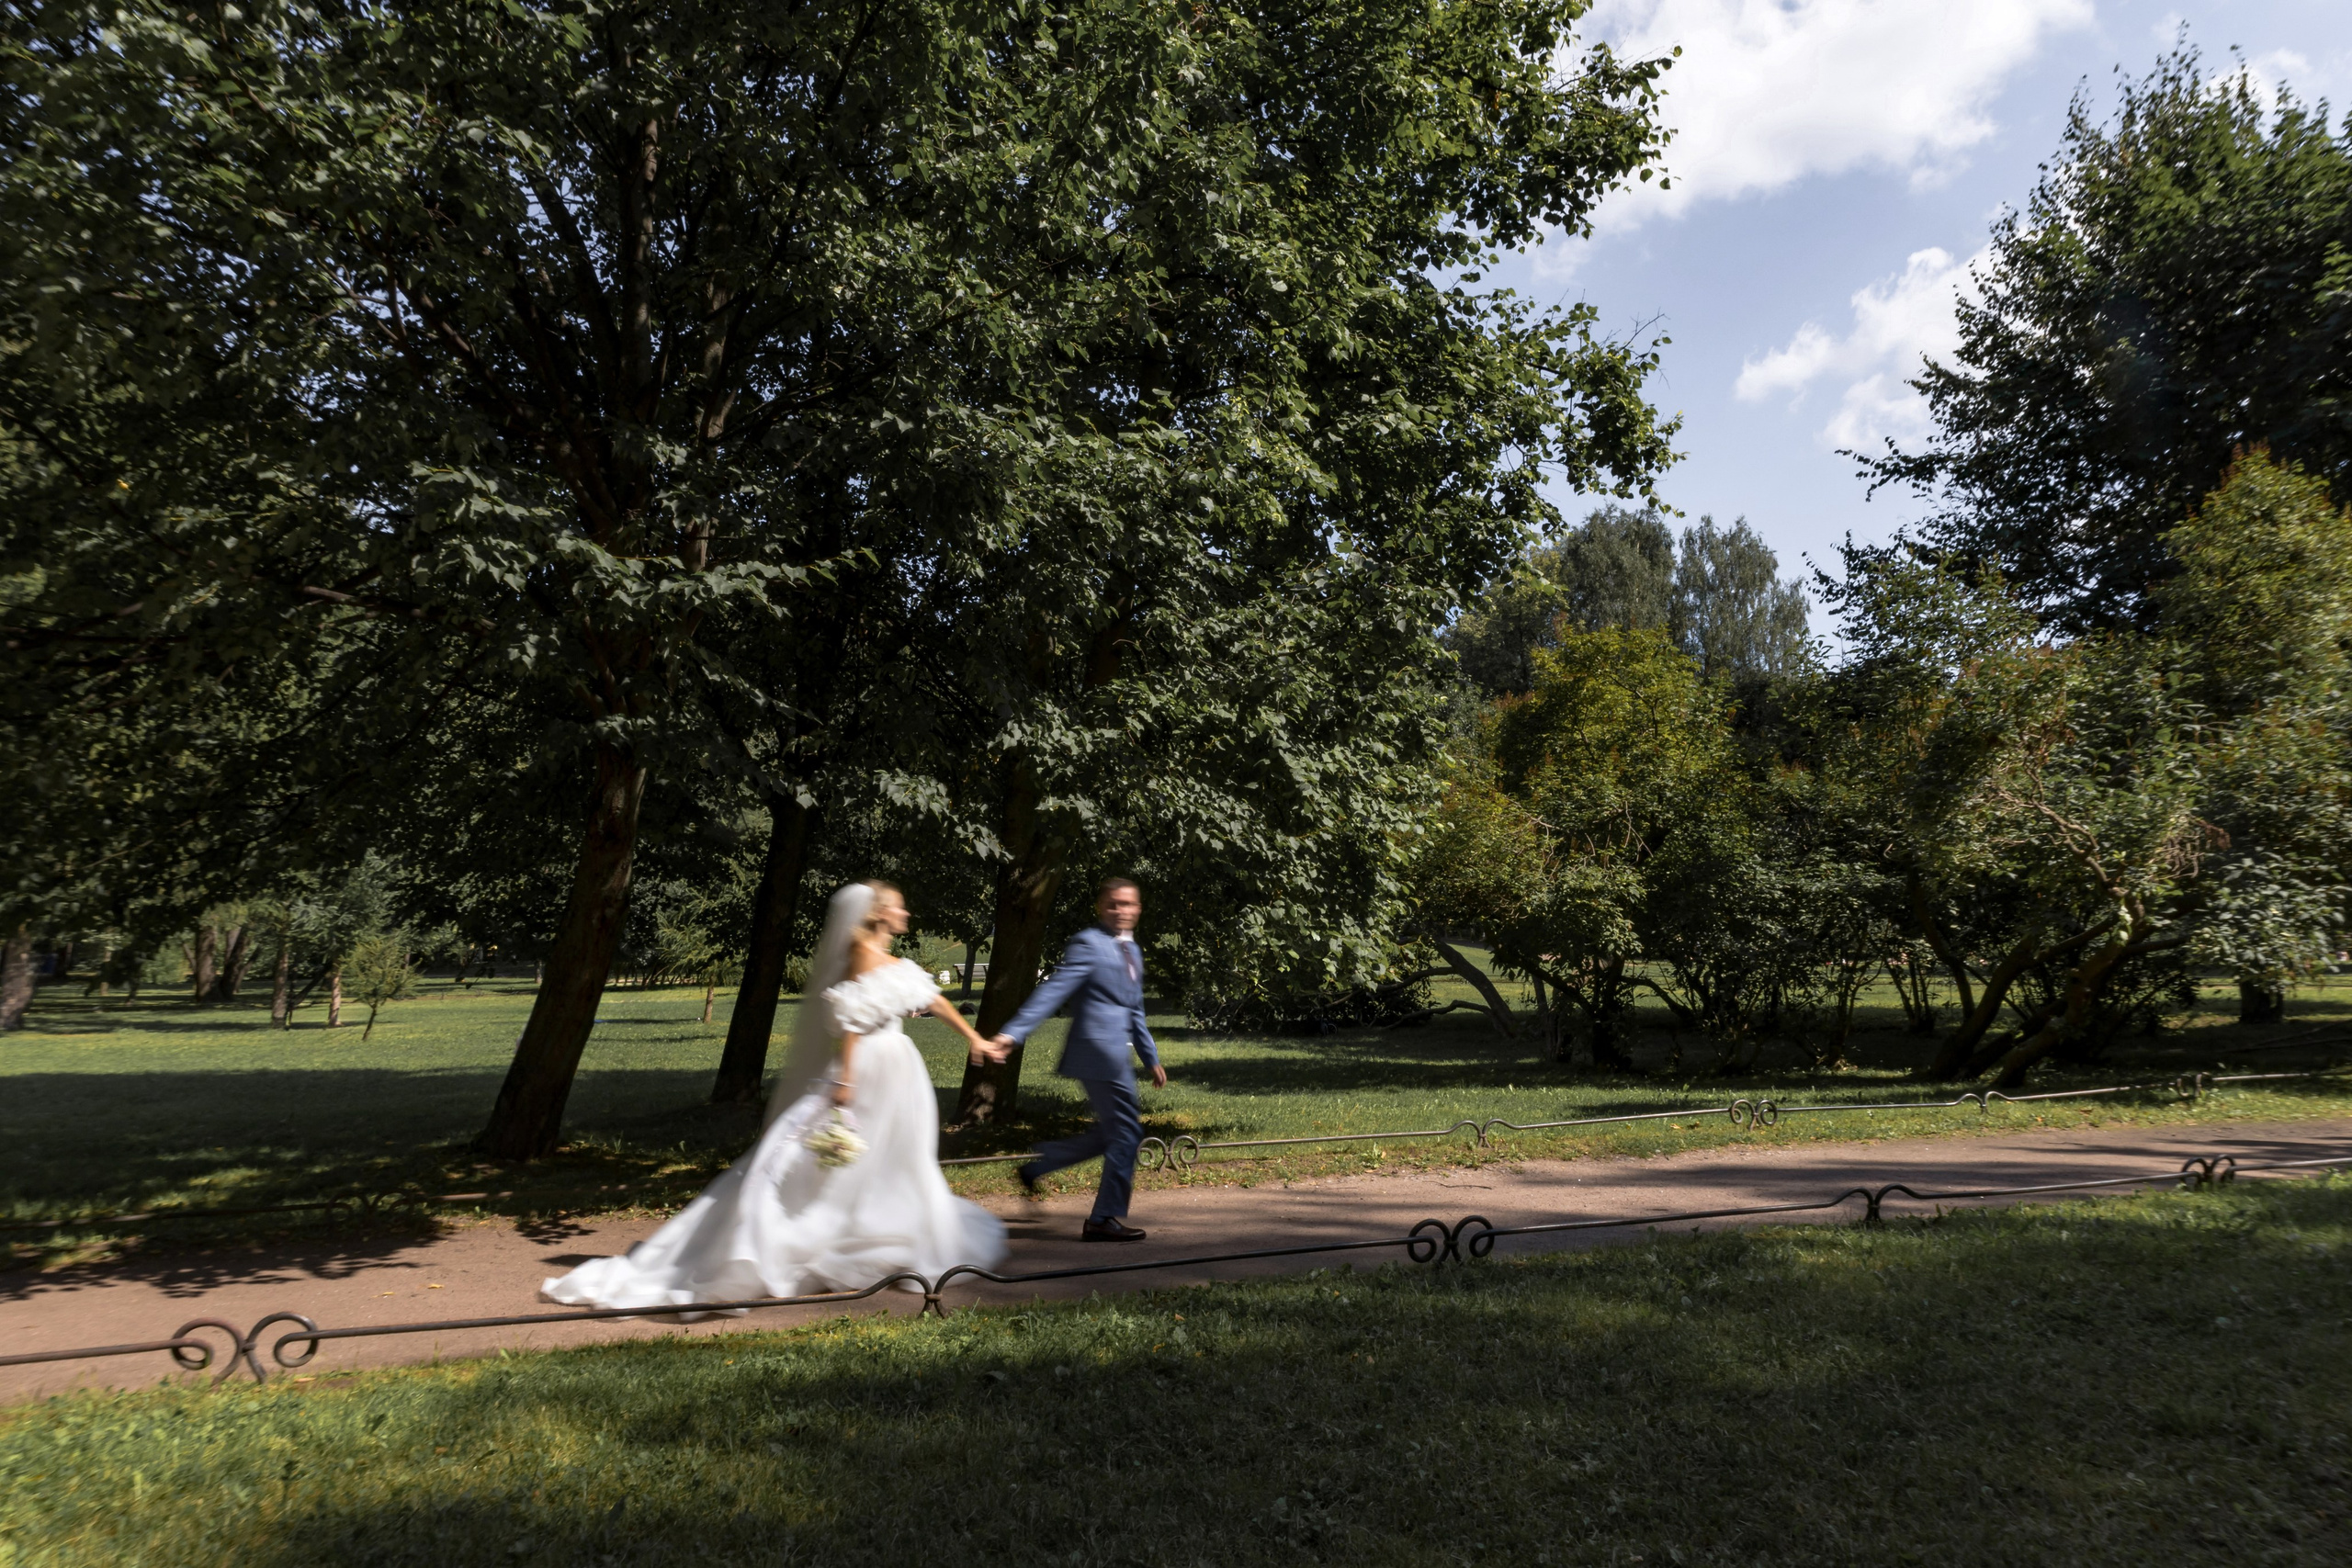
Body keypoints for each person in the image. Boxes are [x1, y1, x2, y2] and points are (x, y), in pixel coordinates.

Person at [541, 882, 1007, 1314]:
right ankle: (779, 1237)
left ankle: (877, 1230)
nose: (905, 911)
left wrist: (974, 1038)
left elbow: (934, 998)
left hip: (899, 1069)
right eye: (898, 904)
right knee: (819, 1155)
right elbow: (853, 1017)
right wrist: (845, 1080)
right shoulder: (862, 953)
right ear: (879, 912)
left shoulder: (892, 957)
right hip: (868, 1066)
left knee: (896, 1156)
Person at [989, 876, 1166, 1242]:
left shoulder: (1133, 950)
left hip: (1116, 1053)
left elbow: (1135, 1009)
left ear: (1139, 908)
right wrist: (1012, 1033)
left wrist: (1150, 1056)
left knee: (1112, 1132)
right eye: (1113, 904)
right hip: (1098, 1053)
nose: (1121, 910)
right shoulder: (1089, 944)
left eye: (1128, 904)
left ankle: (1040, 1165)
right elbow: (1054, 990)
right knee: (1128, 1133)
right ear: (1101, 908)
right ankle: (1102, 1220)